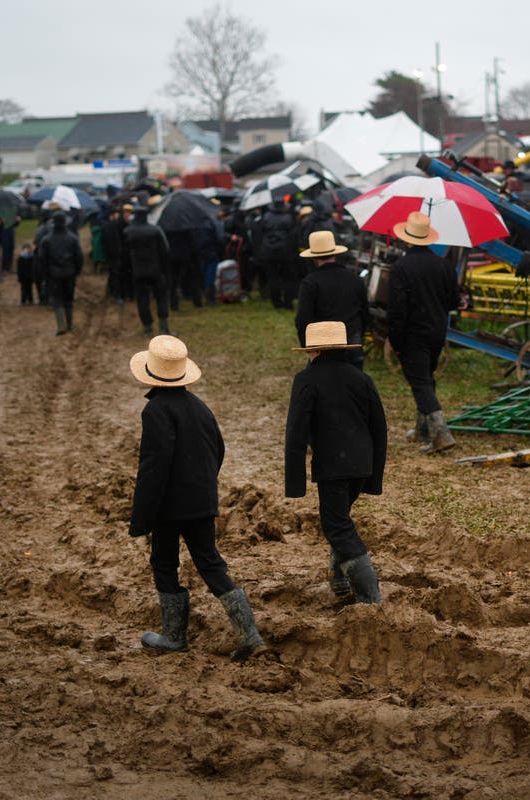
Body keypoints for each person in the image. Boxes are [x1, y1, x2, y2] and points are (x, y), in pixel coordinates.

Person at [128, 335, 267, 659]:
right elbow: (218, 449)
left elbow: (153, 467)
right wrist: (202, 484)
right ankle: (251, 635)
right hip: (202, 502)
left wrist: (141, 518)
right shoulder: (200, 407)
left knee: (164, 563)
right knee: (210, 563)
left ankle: (174, 636)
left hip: (168, 509)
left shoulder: (155, 411)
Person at [285, 321, 387, 605]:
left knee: (336, 526)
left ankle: (371, 597)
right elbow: (379, 427)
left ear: (314, 351)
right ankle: (340, 578)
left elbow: (296, 431)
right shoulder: (361, 378)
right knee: (341, 518)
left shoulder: (306, 380)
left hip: (333, 467)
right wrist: (374, 473)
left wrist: (295, 482)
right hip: (362, 464)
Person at [386, 212, 459, 453]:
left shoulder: (401, 268)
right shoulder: (444, 265)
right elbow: (453, 302)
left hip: (411, 334)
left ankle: (441, 434)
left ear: (406, 239)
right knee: (425, 377)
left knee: (420, 382)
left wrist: (395, 340)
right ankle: (423, 429)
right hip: (437, 331)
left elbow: (396, 309)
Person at [295, 231, 369, 367]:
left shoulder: (310, 282)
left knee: (322, 385)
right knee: (354, 385)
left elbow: (303, 318)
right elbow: (365, 313)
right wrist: (359, 336)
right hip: (351, 340)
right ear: (335, 253)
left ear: (314, 258)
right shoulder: (355, 279)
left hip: (323, 344)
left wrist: (307, 345)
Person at [124, 203, 173, 336]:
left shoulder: (128, 231)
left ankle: (147, 328)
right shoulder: (155, 230)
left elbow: (124, 254)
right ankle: (163, 326)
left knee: (142, 300)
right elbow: (165, 250)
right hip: (155, 270)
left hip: (138, 272)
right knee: (161, 297)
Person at [36, 212, 83, 335]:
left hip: (53, 274)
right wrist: (77, 271)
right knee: (69, 298)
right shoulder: (72, 238)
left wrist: (46, 274)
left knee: (57, 299)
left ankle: (61, 325)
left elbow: (42, 259)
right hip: (70, 273)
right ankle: (70, 325)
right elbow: (79, 257)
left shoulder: (46, 239)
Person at [251, 198, 297, 309]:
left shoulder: (265, 217)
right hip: (285, 251)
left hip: (269, 251)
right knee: (288, 277)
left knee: (273, 277)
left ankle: (276, 303)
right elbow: (293, 235)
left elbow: (258, 233)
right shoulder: (289, 218)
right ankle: (288, 302)